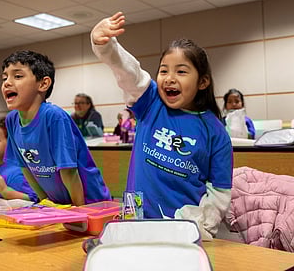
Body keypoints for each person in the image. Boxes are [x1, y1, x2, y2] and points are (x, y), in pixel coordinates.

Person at [91, 12, 233, 239]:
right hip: (134, 223)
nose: (169, 78)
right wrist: (105, 45)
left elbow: (220, 191)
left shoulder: (214, 131)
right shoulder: (150, 102)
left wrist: (202, 226)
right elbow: (130, 73)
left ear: (203, 82)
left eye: (181, 71)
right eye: (164, 70)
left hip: (180, 231)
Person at [1, 50, 111, 206]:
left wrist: (78, 212)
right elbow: (26, 167)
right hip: (60, 207)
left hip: (88, 204)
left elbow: (69, 172)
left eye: (17, 76)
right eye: (5, 77)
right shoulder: (12, 120)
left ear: (43, 84)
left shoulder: (54, 116)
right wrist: (46, 203)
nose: (7, 82)